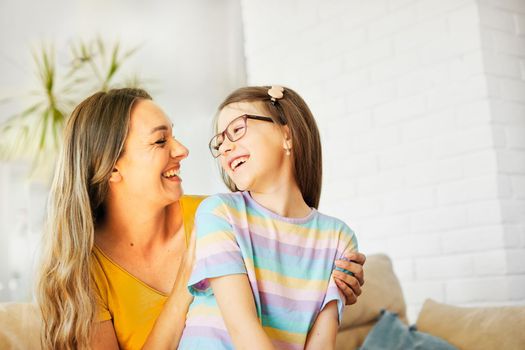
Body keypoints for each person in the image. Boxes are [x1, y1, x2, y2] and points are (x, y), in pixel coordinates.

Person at [36, 88, 366, 350]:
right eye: (160, 140)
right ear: (111, 167)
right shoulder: (84, 272)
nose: (182, 150)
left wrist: (332, 281)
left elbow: (293, 258)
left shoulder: (221, 212)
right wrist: (185, 282)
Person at [178, 85, 360, 350]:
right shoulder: (218, 212)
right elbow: (243, 328)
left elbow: (321, 344)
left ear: (287, 135)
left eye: (237, 130)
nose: (226, 147)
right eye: (219, 142)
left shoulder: (339, 239)